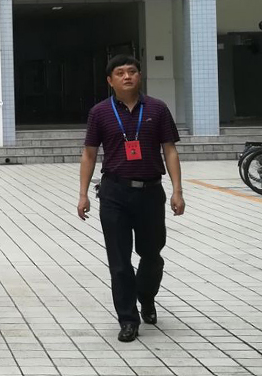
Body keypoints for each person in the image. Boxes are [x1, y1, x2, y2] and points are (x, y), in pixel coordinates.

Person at [78, 55, 185, 343]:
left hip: (150, 192)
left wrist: (177, 190)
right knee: (119, 261)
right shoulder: (99, 112)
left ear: (139, 76)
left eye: (132, 71)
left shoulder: (157, 108)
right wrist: (83, 194)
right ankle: (127, 319)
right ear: (110, 80)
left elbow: (170, 150)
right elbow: (89, 153)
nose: (127, 76)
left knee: (152, 255)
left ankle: (146, 296)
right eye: (120, 73)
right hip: (114, 192)